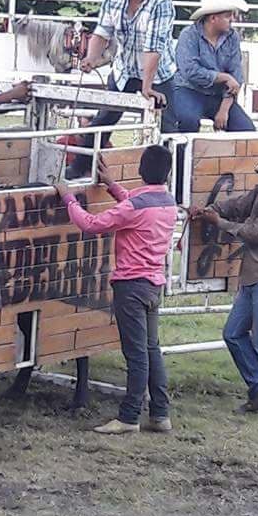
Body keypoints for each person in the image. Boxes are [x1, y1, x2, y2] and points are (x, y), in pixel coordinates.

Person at [55, 145, 177, 434]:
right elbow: (132, 205)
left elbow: (90, 223)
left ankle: (129, 416)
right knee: (151, 349)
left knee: (136, 354)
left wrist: (68, 198)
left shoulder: (137, 206)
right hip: (152, 284)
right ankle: (159, 413)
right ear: (167, 172)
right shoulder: (168, 202)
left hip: (130, 286)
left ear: (141, 169)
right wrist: (111, 185)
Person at [191, 151, 258, 413]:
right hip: (255, 275)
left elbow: (254, 234)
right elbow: (236, 205)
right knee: (233, 333)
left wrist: (219, 221)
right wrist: (213, 209)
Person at [65, 0, 178, 179]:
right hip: (124, 68)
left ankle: (170, 179)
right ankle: (80, 166)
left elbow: (154, 46)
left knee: (167, 127)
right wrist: (91, 59)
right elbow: (103, 31)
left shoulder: (162, 2)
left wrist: (147, 86)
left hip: (157, 73)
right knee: (104, 118)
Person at [174, 0, 255, 132]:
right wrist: (223, 77)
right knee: (188, 121)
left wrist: (224, 109)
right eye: (228, 15)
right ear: (213, 18)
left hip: (218, 95)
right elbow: (190, 71)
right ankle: (181, 154)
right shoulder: (189, 36)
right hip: (188, 90)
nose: (232, 19)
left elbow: (236, 77)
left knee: (246, 129)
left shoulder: (232, 37)